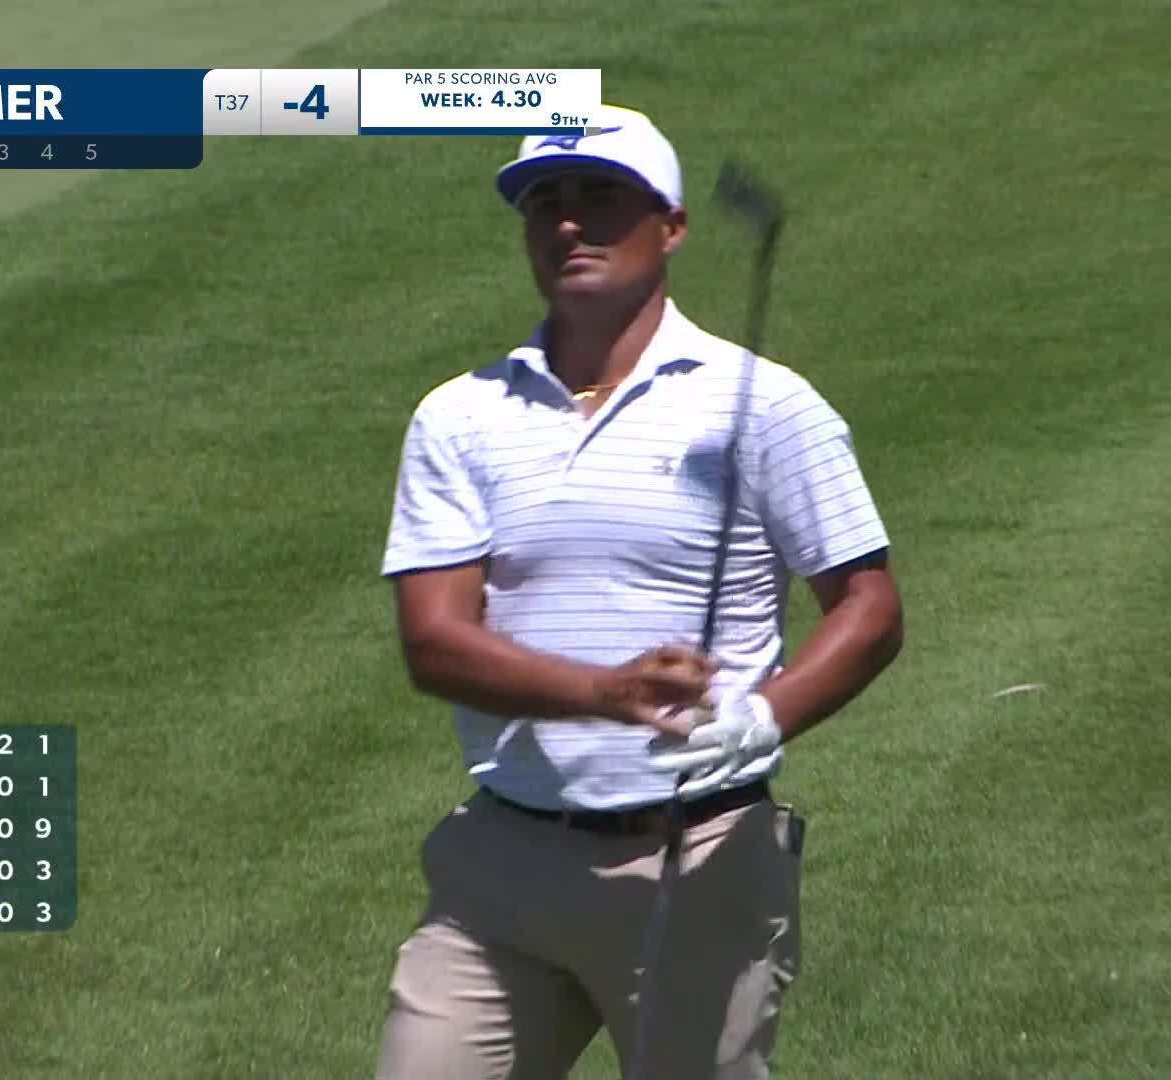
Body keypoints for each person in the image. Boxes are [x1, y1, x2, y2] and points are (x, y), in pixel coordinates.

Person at [373, 106, 906, 1080]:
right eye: (546, 203)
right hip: (500, 867)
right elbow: (434, 644)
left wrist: (765, 715)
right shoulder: (460, 415)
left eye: (602, 197)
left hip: (699, 859)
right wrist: (605, 693)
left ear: (672, 226)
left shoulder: (765, 403)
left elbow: (868, 608)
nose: (570, 223)